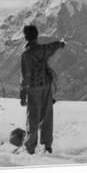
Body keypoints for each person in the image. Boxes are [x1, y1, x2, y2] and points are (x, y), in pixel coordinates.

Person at [20, 25, 65, 154]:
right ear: (37, 36)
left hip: (34, 89)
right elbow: (53, 46)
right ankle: (47, 146)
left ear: (26, 37)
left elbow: (25, 77)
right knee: (47, 116)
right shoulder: (43, 49)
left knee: (33, 117)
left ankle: (30, 148)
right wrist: (61, 44)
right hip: (47, 86)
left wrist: (23, 96)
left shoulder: (26, 55)